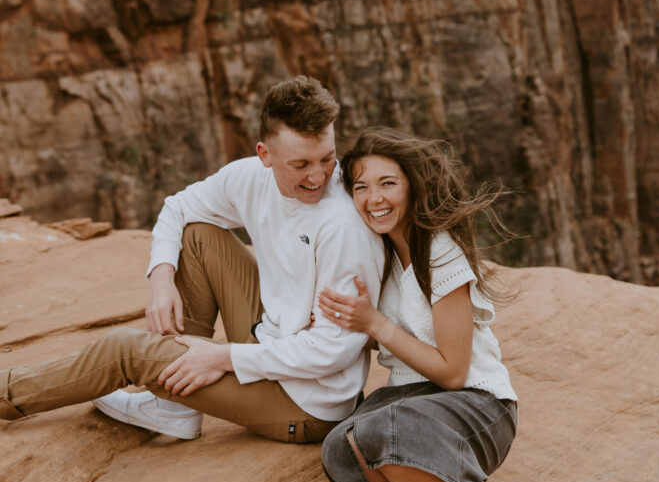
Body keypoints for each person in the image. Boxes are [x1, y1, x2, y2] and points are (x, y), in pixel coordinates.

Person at [0, 77, 384, 445]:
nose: (318, 176)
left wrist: (222, 357)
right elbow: (178, 207)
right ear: (264, 155)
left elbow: (332, 351)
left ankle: (7, 394)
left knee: (125, 351)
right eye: (300, 165)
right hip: (272, 334)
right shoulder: (250, 178)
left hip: (307, 402)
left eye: (328, 158)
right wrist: (161, 277)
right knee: (197, 234)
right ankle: (173, 406)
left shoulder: (342, 226)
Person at [317, 128, 577, 482]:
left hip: (477, 406)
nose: (373, 198)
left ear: (412, 185)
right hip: (417, 402)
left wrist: (375, 324)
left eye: (387, 183)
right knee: (341, 452)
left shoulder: (439, 250)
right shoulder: (378, 253)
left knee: (381, 433)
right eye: (361, 187)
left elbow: (454, 372)